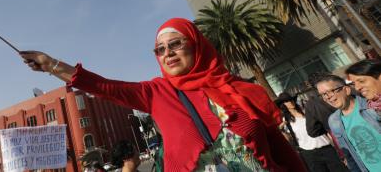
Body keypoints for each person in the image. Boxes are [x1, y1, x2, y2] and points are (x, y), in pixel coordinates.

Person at [20, 18, 306, 171]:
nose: (167, 53)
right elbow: (103, 86)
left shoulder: (243, 91)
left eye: (175, 44)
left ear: (196, 45)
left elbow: (281, 153)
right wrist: (51, 64)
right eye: (160, 48)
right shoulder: (157, 92)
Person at [314, 74, 381, 172]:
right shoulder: (334, 121)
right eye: (323, 94)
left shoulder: (371, 105)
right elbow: (350, 156)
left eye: (330, 91)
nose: (327, 97)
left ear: (346, 90)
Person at [276, 92, 348, 172]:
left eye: (291, 100)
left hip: (327, 148)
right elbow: (290, 140)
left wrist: (338, 149)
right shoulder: (286, 121)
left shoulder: (307, 112)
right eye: (287, 101)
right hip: (310, 154)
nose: (290, 102)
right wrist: (281, 131)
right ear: (283, 105)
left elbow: (325, 129)